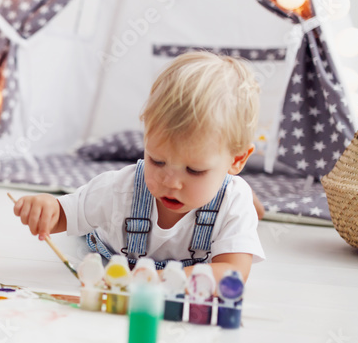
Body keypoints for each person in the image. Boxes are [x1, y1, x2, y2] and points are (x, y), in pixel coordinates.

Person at [13, 52, 265, 281]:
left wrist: (157, 281)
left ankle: (249, 203)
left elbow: (231, 275)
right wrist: (47, 209)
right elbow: (69, 213)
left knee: (238, 203)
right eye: (157, 161)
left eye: (194, 170)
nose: (170, 182)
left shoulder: (232, 202)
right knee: (95, 214)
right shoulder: (121, 189)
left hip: (158, 281)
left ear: (237, 160)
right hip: (107, 245)